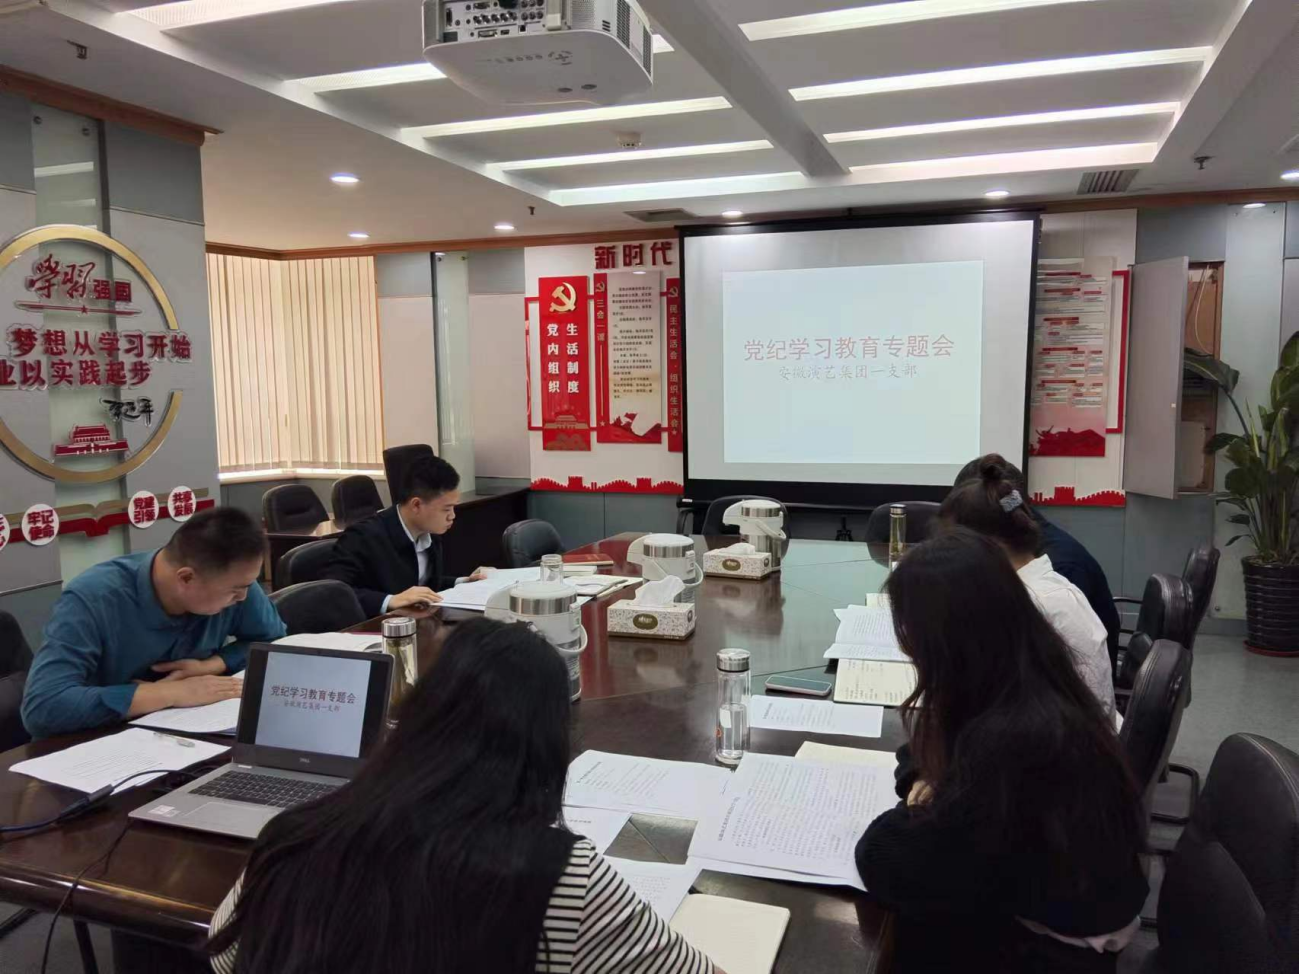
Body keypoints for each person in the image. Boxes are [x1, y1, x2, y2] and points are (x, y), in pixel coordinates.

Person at [207, 617, 718, 974]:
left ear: (416, 714)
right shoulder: (561, 875)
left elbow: (224, 955)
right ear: (547, 745)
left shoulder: (294, 834)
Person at [856, 530, 1147, 973]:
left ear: (944, 639)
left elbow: (883, 858)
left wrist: (922, 798)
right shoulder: (1026, 674)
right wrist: (925, 779)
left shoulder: (1017, 739)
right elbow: (918, 750)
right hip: (1052, 911)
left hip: (1047, 954)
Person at [21, 507, 285, 739]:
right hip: (94, 746)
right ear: (186, 578)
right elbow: (43, 707)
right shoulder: (93, 599)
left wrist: (212, 665)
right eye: (235, 591)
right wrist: (170, 693)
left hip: (185, 734)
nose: (243, 597)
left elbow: (273, 640)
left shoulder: (233, 580)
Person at [940, 459, 1115, 718]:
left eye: (956, 544)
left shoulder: (1038, 601)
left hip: (1064, 736)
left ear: (986, 543)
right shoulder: (1040, 584)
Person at [322, 454, 485, 617]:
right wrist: (389, 600)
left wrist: (462, 582)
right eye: (446, 509)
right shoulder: (362, 537)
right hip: (374, 627)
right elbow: (332, 593)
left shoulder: (429, 532)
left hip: (415, 622)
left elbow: (420, 584)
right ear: (416, 505)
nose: (452, 516)